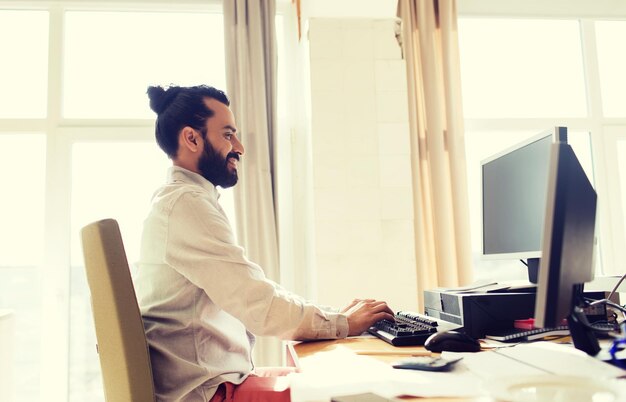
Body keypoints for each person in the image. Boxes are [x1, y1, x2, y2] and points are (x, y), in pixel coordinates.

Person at [134, 84, 394, 402]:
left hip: (217, 382)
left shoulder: (184, 201)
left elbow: (255, 289)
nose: (240, 147)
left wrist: (336, 316)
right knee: (353, 392)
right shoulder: (186, 204)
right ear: (192, 138)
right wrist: (342, 323)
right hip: (207, 393)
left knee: (340, 377)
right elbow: (258, 305)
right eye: (228, 135)